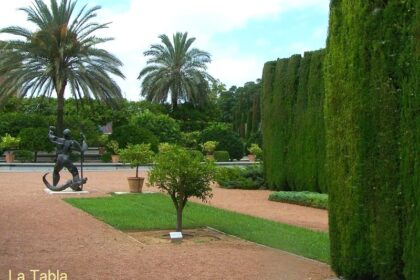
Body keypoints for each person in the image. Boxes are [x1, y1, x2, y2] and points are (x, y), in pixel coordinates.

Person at [48, 126, 87, 190]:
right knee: (75, 172)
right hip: (66, 158)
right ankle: (76, 186)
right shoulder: (72, 142)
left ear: (63, 134)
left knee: (55, 171)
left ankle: (54, 186)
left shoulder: (58, 139)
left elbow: (50, 137)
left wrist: (50, 131)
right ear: (70, 135)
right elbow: (82, 150)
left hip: (59, 158)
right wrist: (84, 141)